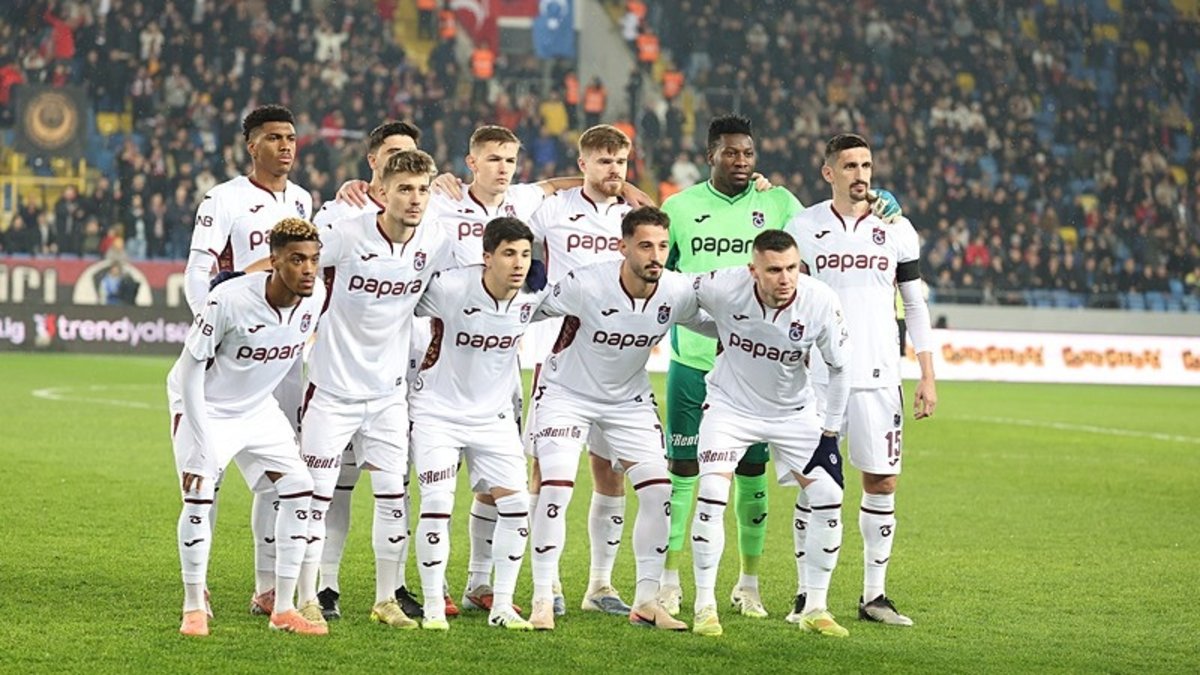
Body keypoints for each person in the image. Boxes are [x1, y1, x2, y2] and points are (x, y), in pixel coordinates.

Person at [658, 114, 900, 617]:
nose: (741, 161)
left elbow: (826, 226)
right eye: (730, 152)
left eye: (748, 153)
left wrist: (879, 202)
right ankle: (669, 581)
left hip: (760, 372)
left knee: (753, 477)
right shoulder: (679, 207)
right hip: (692, 359)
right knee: (683, 474)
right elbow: (669, 280)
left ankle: (748, 585)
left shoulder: (780, 203)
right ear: (710, 155)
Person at [527, 206, 707, 632]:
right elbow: (526, 311)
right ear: (622, 246)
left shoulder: (677, 290)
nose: (655, 256)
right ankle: (542, 598)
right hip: (566, 393)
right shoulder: (586, 283)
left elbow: (719, 323)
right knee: (556, 486)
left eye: (662, 246)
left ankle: (646, 601)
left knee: (659, 490)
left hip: (628, 400)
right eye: (645, 246)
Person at [785, 133, 937, 627]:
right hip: (819, 378)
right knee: (814, 484)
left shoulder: (898, 229)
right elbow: (789, 297)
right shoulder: (803, 226)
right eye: (849, 166)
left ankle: (875, 596)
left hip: (879, 374)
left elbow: (914, 304)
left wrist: (927, 374)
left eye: (866, 165)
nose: (860, 174)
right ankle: (806, 595)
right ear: (828, 172)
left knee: (883, 480)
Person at [298, 150, 452, 630]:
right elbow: (296, 258)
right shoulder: (346, 235)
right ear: (381, 192)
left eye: (423, 189)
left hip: (388, 396)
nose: (415, 199)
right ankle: (306, 597)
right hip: (332, 390)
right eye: (404, 189)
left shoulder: (436, 240)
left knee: (392, 497)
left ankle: (386, 599)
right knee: (316, 498)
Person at [182, 104, 314, 618]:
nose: (285, 146)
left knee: (280, 474)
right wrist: (210, 324)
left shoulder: (301, 199)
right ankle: (199, 587)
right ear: (251, 145)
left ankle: (267, 587)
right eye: (274, 137)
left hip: (278, 359)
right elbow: (199, 269)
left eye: (291, 137)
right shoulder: (225, 198)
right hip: (235, 346)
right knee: (206, 475)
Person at [689, 228, 852, 638]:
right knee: (712, 494)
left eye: (792, 268)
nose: (785, 279)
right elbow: (677, 297)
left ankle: (815, 607)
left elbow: (840, 368)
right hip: (730, 408)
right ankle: (704, 605)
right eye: (774, 270)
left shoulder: (820, 301)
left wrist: (830, 434)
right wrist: (719, 327)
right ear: (753, 271)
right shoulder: (724, 285)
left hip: (793, 413)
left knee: (829, 496)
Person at [172, 217, 325, 637]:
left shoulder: (315, 297)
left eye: (314, 259)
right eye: (297, 260)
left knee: (300, 488)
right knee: (199, 493)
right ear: (274, 261)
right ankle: (193, 607)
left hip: (257, 408)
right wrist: (200, 441)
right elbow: (189, 370)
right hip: (208, 405)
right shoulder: (229, 300)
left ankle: (284, 608)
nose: (308, 269)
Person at [409, 217, 543, 631]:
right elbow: (400, 298)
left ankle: (501, 605)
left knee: (517, 507)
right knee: (437, 505)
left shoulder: (534, 295)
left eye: (525, 254)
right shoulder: (451, 288)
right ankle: (433, 606)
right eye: (508, 254)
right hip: (437, 412)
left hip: (494, 418)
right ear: (486, 257)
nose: (518, 263)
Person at [525, 124, 638, 617]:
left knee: (609, 471)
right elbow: (503, 213)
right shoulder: (553, 209)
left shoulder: (633, 217)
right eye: (604, 160)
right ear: (583, 163)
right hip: (558, 354)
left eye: (621, 162)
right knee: (547, 467)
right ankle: (547, 582)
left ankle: (600, 586)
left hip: (616, 361)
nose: (614, 170)